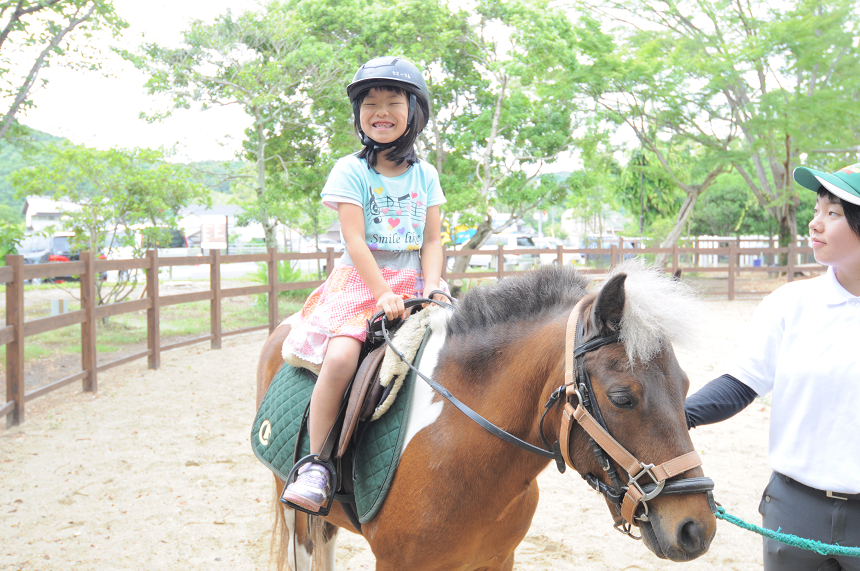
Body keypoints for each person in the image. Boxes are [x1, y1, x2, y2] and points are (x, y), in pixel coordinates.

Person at [280, 56, 448, 512]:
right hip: (363, 281)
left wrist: (431, 287)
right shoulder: (350, 170)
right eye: (370, 102)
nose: (381, 110)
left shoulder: (426, 174)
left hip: (415, 280)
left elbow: (432, 239)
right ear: (358, 115)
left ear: (414, 111)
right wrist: (383, 294)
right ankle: (317, 464)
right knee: (340, 358)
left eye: (393, 101)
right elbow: (355, 240)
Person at [685, 163, 860, 570]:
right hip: (794, 509)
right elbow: (741, 384)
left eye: (833, 213)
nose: (815, 224)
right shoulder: (790, 303)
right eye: (817, 210)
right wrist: (677, 417)